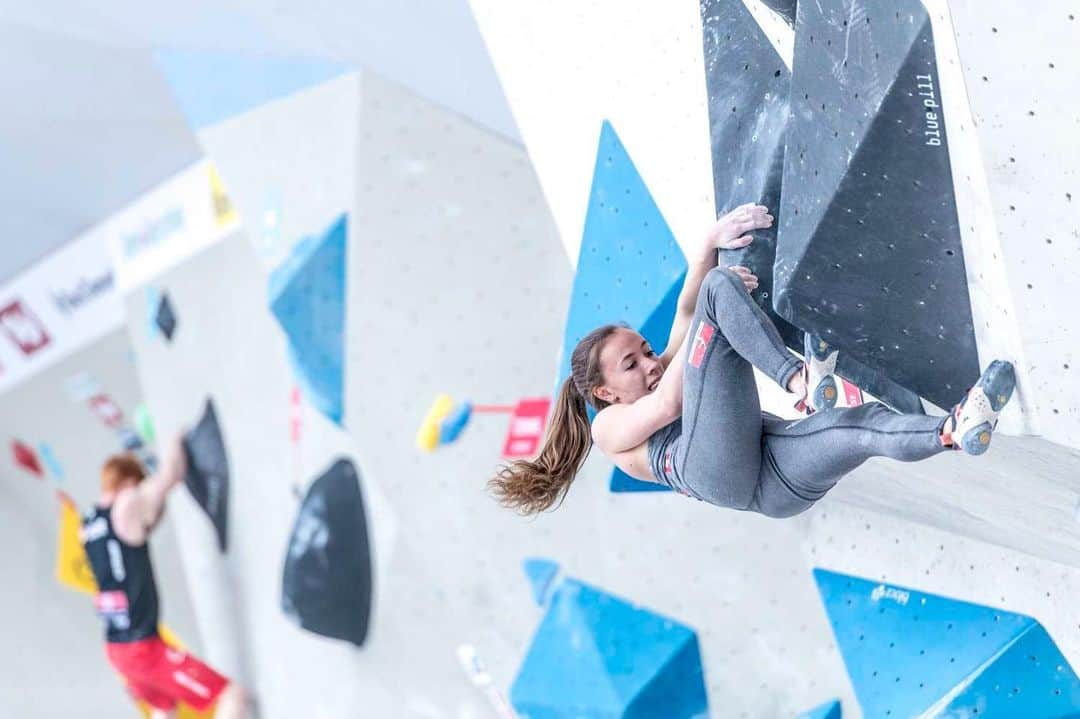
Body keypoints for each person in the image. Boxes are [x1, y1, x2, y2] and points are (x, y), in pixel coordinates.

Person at [490, 203, 1015, 517]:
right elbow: (674, 401)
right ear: (604, 391)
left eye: (646, 351)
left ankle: (953, 430)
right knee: (722, 291)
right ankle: (800, 381)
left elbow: (687, 310)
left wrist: (708, 243)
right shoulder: (609, 427)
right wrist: (713, 311)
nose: (651, 362)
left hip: (771, 487)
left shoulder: (664, 367)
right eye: (632, 364)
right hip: (713, 471)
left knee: (860, 426)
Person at [82, 434, 249, 718]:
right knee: (229, 695)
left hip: (116, 649)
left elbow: (141, 529)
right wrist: (176, 436)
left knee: (165, 709)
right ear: (127, 484)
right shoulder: (127, 504)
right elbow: (171, 473)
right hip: (142, 649)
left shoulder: (88, 525)